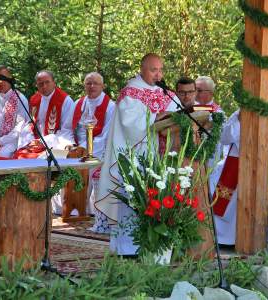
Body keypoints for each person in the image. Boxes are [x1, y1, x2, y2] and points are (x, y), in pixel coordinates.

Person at [95, 53, 179, 255]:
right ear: (142, 69)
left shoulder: (165, 92)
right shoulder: (130, 92)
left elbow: (179, 114)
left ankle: (152, 246)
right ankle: (127, 248)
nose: (158, 74)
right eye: (153, 70)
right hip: (133, 154)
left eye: (160, 70)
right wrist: (156, 117)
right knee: (131, 200)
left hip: (159, 155)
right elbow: (130, 124)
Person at [209, 109, 268, 245]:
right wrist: (239, 120)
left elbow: (265, 145)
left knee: (244, 199)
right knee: (216, 189)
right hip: (233, 163)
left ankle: (237, 240)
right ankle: (220, 238)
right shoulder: (237, 113)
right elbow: (224, 138)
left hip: (257, 166)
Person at [71, 72, 115, 232]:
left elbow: (106, 136)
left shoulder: (110, 106)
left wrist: (84, 149)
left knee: (88, 166)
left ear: (103, 86)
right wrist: (72, 146)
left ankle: (86, 208)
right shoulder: (78, 103)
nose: (92, 86)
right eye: (88, 83)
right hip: (78, 147)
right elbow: (70, 129)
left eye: (95, 83)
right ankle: (72, 208)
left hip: (99, 148)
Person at [16, 70, 75, 158]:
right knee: (21, 155)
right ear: (37, 85)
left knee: (43, 159)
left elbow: (67, 129)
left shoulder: (65, 100)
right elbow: (31, 124)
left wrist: (44, 141)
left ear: (54, 83)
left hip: (56, 142)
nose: (44, 86)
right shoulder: (34, 99)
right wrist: (31, 141)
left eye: (47, 82)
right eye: (40, 84)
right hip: (36, 142)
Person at [0, 65, 29, 158]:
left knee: (1, 155)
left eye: (3, 78)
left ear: (10, 78)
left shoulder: (20, 99)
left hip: (10, 142)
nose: (0, 81)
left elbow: (19, 128)